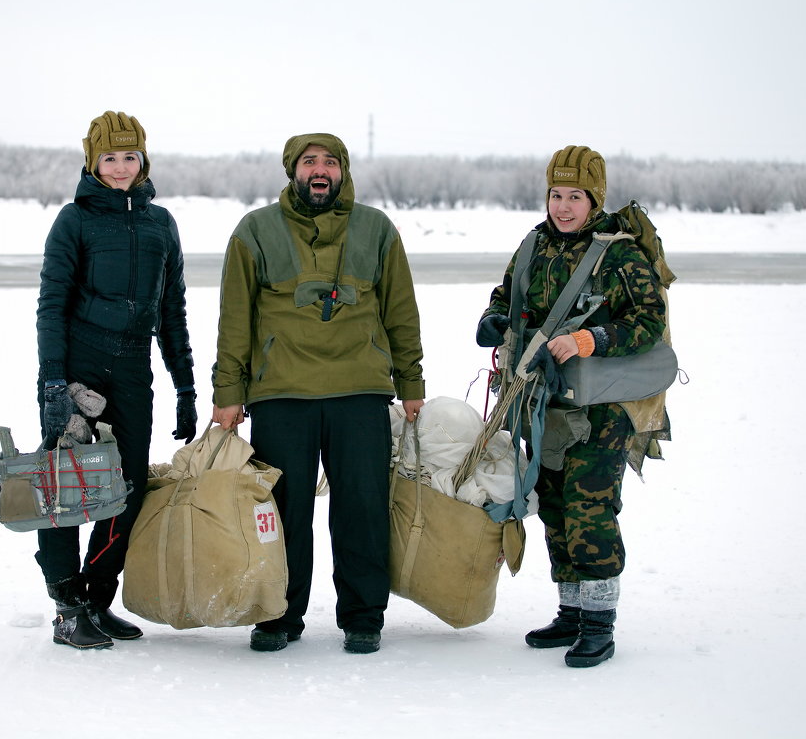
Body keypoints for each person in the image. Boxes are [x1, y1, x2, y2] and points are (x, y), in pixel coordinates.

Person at [212, 132, 425, 655]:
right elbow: (235, 319)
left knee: (363, 507)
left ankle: (362, 615)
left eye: (330, 161)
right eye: (309, 162)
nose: (320, 170)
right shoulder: (255, 231)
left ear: (344, 171)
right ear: (293, 171)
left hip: (360, 390)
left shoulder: (376, 229)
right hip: (282, 393)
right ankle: (279, 615)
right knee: (283, 511)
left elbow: (401, 311)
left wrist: (411, 382)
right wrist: (228, 392)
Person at [475, 145, 667, 668]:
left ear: (594, 198)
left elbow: (648, 321)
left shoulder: (619, 253)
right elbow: (506, 293)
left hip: (603, 407)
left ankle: (599, 625)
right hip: (545, 400)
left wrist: (591, 339)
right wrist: (495, 318)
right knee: (554, 504)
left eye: (575, 196)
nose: (563, 206)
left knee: (589, 506)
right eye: (556, 195)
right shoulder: (534, 244)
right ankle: (572, 611)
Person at [35, 111, 198, 649]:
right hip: (80, 365)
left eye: (130, 157)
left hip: (133, 370)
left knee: (126, 489)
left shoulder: (161, 224)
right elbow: (52, 306)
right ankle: (66, 607)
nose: (121, 166)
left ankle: (97, 601)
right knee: (67, 485)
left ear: (143, 160)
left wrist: (185, 386)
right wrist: (54, 384)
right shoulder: (73, 221)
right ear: (92, 161)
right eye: (110, 157)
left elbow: (171, 310)